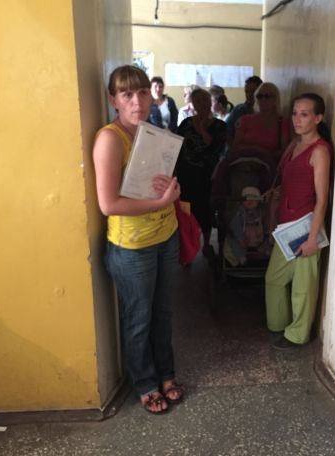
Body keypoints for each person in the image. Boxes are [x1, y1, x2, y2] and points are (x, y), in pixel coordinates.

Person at [93, 65, 186, 414]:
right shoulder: (109, 139)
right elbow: (109, 205)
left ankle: (166, 375)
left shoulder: (154, 132)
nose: (137, 101)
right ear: (113, 100)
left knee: (164, 313)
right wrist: (161, 202)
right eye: (127, 94)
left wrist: (172, 191)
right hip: (132, 247)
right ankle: (146, 384)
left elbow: (160, 184)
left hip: (166, 235)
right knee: (139, 318)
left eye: (143, 92)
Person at [265, 93, 332, 351]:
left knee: (303, 287)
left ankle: (297, 335)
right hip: (287, 226)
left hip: (306, 225)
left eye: (304, 114)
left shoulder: (320, 151)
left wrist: (313, 238)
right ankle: (278, 323)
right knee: (274, 279)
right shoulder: (294, 145)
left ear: (318, 118)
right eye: (295, 113)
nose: (297, 119)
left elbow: (322, 200)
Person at [176, 88, 227, 257]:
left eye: (206, 100)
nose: (203, 104)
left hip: (208, 176)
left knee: (206, 210)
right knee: (186, 212)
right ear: (193, 104)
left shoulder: (220, 126)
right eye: (198, 101)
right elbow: (177, 148)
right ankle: (188, 248)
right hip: (186, 175)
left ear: (210, 102)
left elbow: (216, 148)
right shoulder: (185, 124)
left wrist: (202, 129)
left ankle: (206, 244)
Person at [232, 82, 290, 161]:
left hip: (268, 164)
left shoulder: (282, 122)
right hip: (244, 162)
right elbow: (235, 147)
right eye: (259, 96)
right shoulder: (245, 120)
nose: (263, 99)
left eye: (267, 96)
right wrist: (254, 150)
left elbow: (285, 150)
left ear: (275, 99)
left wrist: (264, 155)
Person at [223, 186, 268, 266]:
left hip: (257, 236)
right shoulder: (240, 212)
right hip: (243, 235)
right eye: (246, 199)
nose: (249, 201)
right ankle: (240, 256)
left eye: (253, 199)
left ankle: (264, 251)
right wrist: (240, 239)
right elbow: (235, 225)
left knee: (268, 239)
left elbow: (265, 224)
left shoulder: (261, 212)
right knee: (232, 240)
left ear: (258, 201)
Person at [226, 75, 262, 146]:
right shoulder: (238, 110)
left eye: (253, 91)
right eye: (247, 91)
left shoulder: (266, 111)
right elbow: (227, 132)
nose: (249, 95)